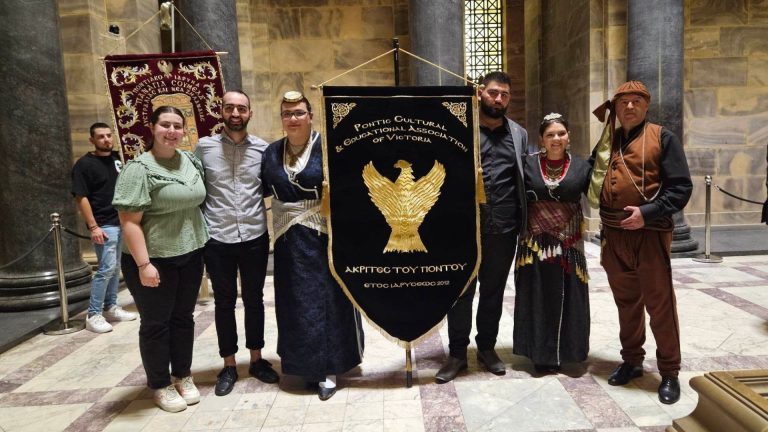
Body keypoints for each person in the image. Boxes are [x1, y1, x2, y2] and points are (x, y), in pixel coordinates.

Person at [591, 80, 692, 405]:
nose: (629, 107)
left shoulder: (663, 137)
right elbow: (590, 175)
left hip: (648, 236)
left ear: (646, 106)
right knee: (627, 304)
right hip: (613, 237)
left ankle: (669, 372)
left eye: (636, 101)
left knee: (659, 305)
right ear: (616, 108)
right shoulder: (610, 140)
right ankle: (632, 360)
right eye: (623, 103)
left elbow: (680, 188)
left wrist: (647, 213)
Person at [262, 91, 364, 401]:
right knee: (294, 303)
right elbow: (264, 190)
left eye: (298, 113)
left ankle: (330, 369)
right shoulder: (270, 152)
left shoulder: (330, 147)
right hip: (287, 241)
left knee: (326, 303)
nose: (292, 119)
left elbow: (350, 189)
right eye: (287, 113)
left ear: (310, 116)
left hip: (323, 238)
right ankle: (304, 365)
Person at [112, 106, 209, 412]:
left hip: (191, 252)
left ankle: (182, 375)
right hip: (154, 258)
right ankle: (159, 383)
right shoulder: (138, 169)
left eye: (177, 126)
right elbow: (129, 221)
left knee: (183, 319)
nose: (171, 131)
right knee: (156, 324)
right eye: (165, 125)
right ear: (152, 128)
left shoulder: (190, 161)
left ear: (184, 130)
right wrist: (143, 264)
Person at [435, 71, 528, 383]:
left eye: (504, 94)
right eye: (492, 93)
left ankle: (487, 348)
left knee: (493, 291)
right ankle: (457, 353)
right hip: (462, 226)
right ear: (479, 94)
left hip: (503, 227)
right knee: (460, 290)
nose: (498, 99)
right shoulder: (458, 130)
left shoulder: (519, 135)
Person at [195, 90, 278, 396]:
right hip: (218, 237)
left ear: (249, 113)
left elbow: (269, 186)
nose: (235, 113)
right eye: (230, 107)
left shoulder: (263, 149)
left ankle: (257, 360)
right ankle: (229, 364)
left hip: (255, 235)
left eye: (241, 108)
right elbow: (196, 187)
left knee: (255, 300)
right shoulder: (203, 148)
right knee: (224, 302)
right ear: (221, 111)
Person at [512, 113, 591, 374]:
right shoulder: (528, 165)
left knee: (569, 296)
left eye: (561, 133)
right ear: (541, 140)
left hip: (569, 244)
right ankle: (539, 355)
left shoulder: (582, 167)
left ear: (568, 137)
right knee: (537, 294)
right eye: (550, 135)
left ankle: (568, 352)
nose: (556, 138)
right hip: (535, 242)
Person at [71, 122, 138, 333]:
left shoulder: (118, 159)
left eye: (109, 135)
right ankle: (93, 314)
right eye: (101, 137)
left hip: (120, 221)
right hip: (103, 224)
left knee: (115, 268)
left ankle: (110, 306)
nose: (106, 140)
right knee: (105, 269)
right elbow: (81, 197)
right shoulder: (84, 165)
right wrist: (93, 227)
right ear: (92, 140)